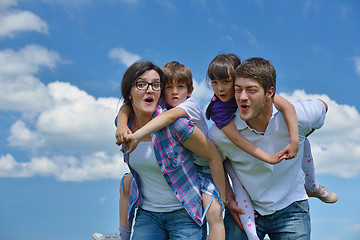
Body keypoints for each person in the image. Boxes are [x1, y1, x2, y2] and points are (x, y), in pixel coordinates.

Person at [94, 61, 226, 240]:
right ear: (129, 92)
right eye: (141, 84)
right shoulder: (123, 125)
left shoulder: (178, 124)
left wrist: (222, 199)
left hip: (184, 214)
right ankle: (121, 235)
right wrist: (122, 124)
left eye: (155, 85)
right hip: (148, 215)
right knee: (126, 181)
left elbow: (213, 156)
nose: (150, 90)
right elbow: (124, 110)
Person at [209, 57, 330, 239]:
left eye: (251, 90)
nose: (242, 96)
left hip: (291, 207)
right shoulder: (220, 133)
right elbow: (215, 162)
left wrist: (298, 137)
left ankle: (314, 187)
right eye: (238, 90)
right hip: (247, 208)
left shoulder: (300, 116)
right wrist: (229, 198)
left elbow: (323, 106)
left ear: (269, 92)